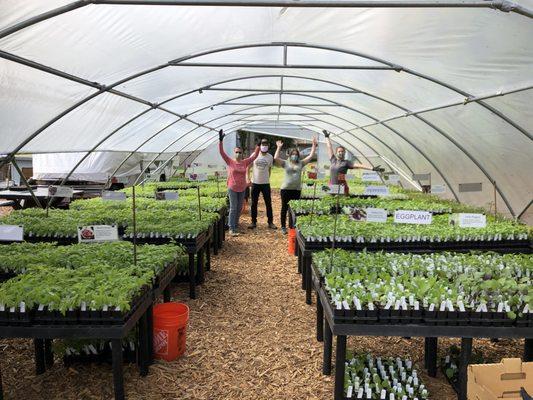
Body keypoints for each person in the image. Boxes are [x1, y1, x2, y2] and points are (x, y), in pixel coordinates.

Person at [218, 129, 260, 236]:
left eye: (240, 152)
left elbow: (254, 156)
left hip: (242, 188)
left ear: (242, 154)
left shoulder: (245, 162)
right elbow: (222, 153)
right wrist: (220, 141)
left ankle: (235, 225)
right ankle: (231, 228)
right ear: (234, 153)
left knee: (239, 208)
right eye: (236, 152)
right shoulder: (230, 161)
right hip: (232, 188)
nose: (238, 154)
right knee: (233, 207)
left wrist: (258, 146)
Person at [274, 137, 317, 234]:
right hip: (285, 189)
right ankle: (283, 227)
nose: (294, 156)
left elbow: (310, 157)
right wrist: (278, 147)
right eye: (293, 154)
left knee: (295, 209)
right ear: (290, 155)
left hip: (296, 190)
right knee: (284, 208)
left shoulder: (301, 163)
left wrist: (313, 145)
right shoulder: (285, 163)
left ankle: (292, 226)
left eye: (296, 154)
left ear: (298, 156)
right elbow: (276, 158)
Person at [323, 130, 380, 194]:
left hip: (341, 187)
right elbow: (329, 147)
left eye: (342, 151)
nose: (340, 153)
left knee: (342, 202)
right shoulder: (333, 160)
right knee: (331, 201)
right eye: (339, 151)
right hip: (332, 186)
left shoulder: (346, 163)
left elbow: (359, 165)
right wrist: (326, 136)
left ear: (344, 153)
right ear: (336, 153)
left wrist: (372, 168)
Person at [248, 138, 277, 229]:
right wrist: (248, 179)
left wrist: (266, 179)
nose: (264, 146)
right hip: (255, 183)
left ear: (268, 146)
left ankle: (270, 222)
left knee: (268, 203)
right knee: (254, 203)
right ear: (260, 146)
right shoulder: (254, 155)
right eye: (262, 144)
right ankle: (253, 222)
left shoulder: (270, 157)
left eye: (266, 144)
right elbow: (248, 167)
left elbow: (269, 169)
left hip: (265, 184)